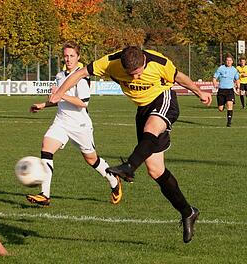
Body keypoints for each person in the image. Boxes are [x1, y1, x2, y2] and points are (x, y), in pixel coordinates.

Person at [49, 46, 212, 243]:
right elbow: (82, 72)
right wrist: (60, 92)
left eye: (138, 73)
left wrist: (199, 92)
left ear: (144, 61)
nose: (135, 79)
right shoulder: (110, 62)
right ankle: (188, 212)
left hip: (163, 99)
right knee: (155, 170)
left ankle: (129, 167)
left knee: (151, 129)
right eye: (130, 75)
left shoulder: (158, 63)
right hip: (142, 110)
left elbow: (179, 77)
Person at [26, 41, 122, 206]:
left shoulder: (82, 76)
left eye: (72, 56)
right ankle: (45, 194)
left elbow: (83, 102)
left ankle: (113, 180)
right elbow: (58, 99)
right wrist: (44, 104)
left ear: (78, 57)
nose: (68, 59)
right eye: (66, 56)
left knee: (91, 159)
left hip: (80, 125)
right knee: (46, 148)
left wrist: (61, 94)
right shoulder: (59, 76)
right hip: (61, 122)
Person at [213, 53, 240, 127]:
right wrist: (214, 82)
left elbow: (237, 79)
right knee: (221, 109)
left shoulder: (234, 70)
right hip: (221, 90)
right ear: (225, 61)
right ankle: (223, 104)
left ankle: (229, 122)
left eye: (230, 60)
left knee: (230, 105)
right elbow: (215, 77)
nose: (228, 62)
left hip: (230, 90)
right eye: (227, 60)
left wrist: (238, 88)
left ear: (232, 61)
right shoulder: (221, 68)